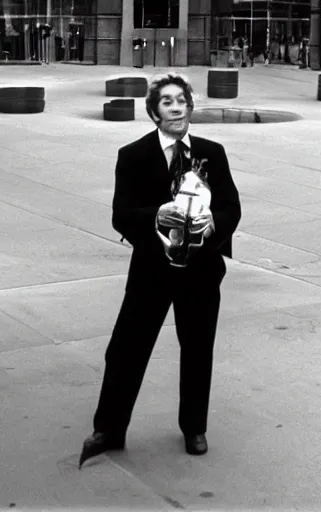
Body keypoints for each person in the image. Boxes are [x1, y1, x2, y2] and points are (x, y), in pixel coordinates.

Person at [79, 73, 242, 468]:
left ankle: (194, 428)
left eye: (181, 100)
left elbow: (231, 207)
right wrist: (157, 214)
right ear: (154, 112)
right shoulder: (133, 155)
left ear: (190, 107)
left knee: (198, 348)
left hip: (201, 271)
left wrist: (213, 225)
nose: (175, 107)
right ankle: (110, 429)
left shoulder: (212, 152)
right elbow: (121, 215)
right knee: (125, 349)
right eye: (166, 101)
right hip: (152, 269)